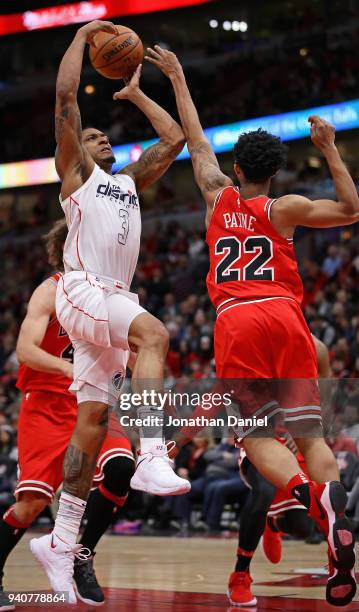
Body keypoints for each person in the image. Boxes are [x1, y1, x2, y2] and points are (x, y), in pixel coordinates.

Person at [146, 45, 358, 606]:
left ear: (236, 169)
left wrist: (177, 75)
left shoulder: (217, 196)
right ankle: (331, 500)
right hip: (288, 318)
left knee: (257, 434)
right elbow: (351, 208)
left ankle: (315, 503)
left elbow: (194, 137)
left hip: (238, 321)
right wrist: (331, 151)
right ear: (274, 172)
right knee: (310, 435)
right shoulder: (285, 207)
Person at [30, 21, 189, 603]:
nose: (96, 138)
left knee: (92, 425)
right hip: (83, 289)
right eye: (89, 134)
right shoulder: (76, 177)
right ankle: (151, 450)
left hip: (115, 296)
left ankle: (62, 538)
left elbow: (172, 141)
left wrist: (138, 94)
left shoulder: (127, 181)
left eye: (102, 135)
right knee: (157, 335)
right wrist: (81, 38)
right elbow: (66, 100)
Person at [0, 220, 136, 610]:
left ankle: (80, 555)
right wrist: (67, 370)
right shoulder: (50, 289)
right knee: (31, 505)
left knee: (121, 468)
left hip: (91, 402)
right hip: (45, 402)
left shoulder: (112, 292)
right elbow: (25, 351)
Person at [228, 336, 330, 607]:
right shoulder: (251, 342)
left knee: (302, 528)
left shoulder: (315, 349)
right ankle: (240, 575)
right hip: (261, 433)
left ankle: (272, 524)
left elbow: (327, 397)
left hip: (297, 439)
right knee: (263, 491)